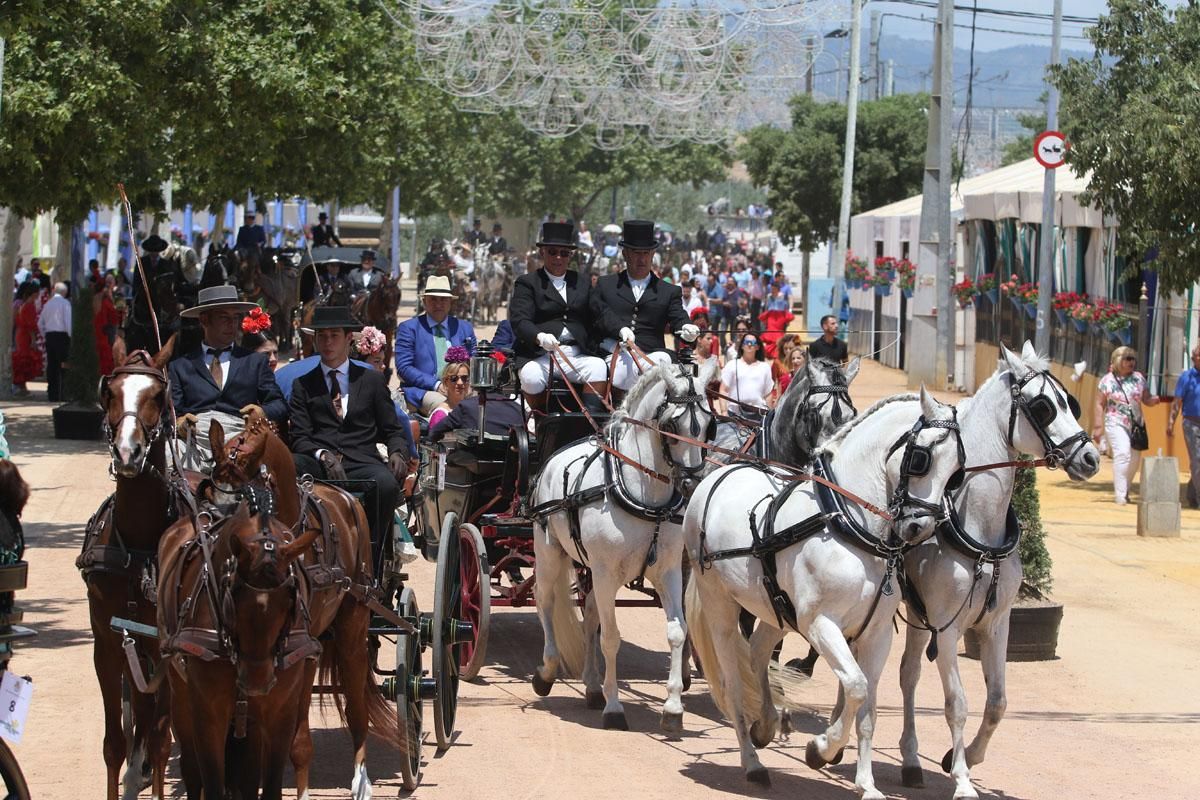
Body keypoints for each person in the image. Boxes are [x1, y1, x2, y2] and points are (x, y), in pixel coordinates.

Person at [289, 306, 409, 567]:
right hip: (319, 463)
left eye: (334, 335)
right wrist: (322, 454)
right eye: (322, 336)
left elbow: (392, 429)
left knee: (386, 484)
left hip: (361, 459)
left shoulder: (372, 381)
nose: (328, 342)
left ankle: (372, 564)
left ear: (348, 339)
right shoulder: (302, 385)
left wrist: (398, 451)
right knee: (292, 466)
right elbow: (299, 436)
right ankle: (297, 557)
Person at [169, 286, 287, 463]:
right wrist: (180, 423)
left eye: (235, 318)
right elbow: (171, 412)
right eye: (224, 318)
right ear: (204, 320)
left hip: (240, 438)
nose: (232, 324)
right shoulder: (180, 366)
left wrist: (262, 411)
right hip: (193, 441)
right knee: (165, 457)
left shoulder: (253, 361)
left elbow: (279, 404)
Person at [509, 221, 608, 408]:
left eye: (564, 253)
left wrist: (622, 329)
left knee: (598, 367)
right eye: (553, 252)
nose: (558, 258)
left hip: (576, 354)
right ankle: (540, 423)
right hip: (541, 354)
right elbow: (519, 319)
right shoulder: (527, 282)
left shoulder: (582, 282)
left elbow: (601, 313)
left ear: (570, 255)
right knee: (531, 376)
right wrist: (539, 337)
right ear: (542, 253)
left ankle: (588, 426)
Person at [591, 219, 698, 391]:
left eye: (646, 253)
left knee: (661, 364)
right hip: (615, 354)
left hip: (652, 355)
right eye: (636, 253)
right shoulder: (605, 285)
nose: (642, 259)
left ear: (653, 254)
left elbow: (678, 317)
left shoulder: (668, 291)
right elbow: (597, 318)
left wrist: (687, 329)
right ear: (625, 254)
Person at [394, 275, 477, 415]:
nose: (438, 304)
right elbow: (404, 367)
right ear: (424, 301)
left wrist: (468, 384)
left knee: (484, 406)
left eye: (443, 299)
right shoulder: (409, 328)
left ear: (451, 302)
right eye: (433, 299)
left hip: (461, 387)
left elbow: (474, 360)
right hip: (425, 390)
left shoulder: (464, 328)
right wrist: (436, 384)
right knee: (448, 409)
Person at [1093, 346, 1159, 505]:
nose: (1131, 362)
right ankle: (1120, 495)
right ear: (1117, 360)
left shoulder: (1139, 378)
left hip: (1135, 424)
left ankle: (1125, 489)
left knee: (1134, 460)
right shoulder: (1107, 380)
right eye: (1127, 358)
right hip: (1115, 421)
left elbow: (1146, 398)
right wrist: (1098, 426)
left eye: (1133, 358)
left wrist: (1153, 401)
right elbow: (1099, 403)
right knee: (1123, 453)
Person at [117, 234, 189, 356]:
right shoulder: (141, 262)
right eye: (152, 251)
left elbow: (174, 284)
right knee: (132, 314)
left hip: (162, 301)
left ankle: (175, 345)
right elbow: (136, 282)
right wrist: (139, 293)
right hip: (144, 297)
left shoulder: (167, 264)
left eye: (156, 251)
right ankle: (128, 335)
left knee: (174, 319)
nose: (154, 254)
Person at [1168, 344, 1200, 508]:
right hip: (1191, 423)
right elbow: (1177, 402)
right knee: (1197, 459)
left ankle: (1192, 494)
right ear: (1194, 358)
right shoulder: (1187, 377)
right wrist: (1171, 422)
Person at [720, 332, 773, 420]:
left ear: (757, 347)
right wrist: (724, 411)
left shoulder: (765, 367)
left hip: (759, 415)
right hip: (735, 415)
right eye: (746, 342)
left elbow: (768, 393)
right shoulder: (732, 365)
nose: (749, 344)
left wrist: (769, 415)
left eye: (752, 343)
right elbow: (723, 390)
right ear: (742, 346)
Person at [38, 283, 71, 402]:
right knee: (64, 365)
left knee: (52, 366)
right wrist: (71, 337)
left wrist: (45, 335)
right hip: (62, 336)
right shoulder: (65, 304)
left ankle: (52, 394)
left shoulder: (48, 304)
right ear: (65, 292)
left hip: (50, 336)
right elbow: (68, 322)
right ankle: (64, 393)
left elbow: (40, 323)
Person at [11, 284, 42, 398]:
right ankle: (20, 386)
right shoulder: (29, 306)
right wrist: (33, 339)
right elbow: (30, 324)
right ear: (34, 293)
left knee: (22, 360)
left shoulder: (23, 304)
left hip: (20, 334)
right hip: (25, 335)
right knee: (24, 360)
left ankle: (21, 387)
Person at [429, 349, 472, 428]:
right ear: (445, 382)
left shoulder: (471, 411)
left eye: (464, 378)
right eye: (454, 378)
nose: (460, 383)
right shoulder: (440, 415)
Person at [93, 274, 124, 377]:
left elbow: (121, 310)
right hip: (105, 330)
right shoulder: (101, 297)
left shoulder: (117, 295)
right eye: (107, 281)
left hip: (113, 328)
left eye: (111, 281)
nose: (109, 283)